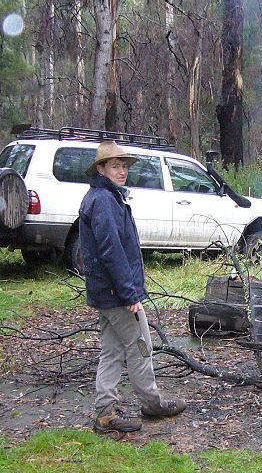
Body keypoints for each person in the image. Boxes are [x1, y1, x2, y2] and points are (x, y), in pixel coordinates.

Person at [79, 141, 185, 433]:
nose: (122, 171)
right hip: (115, 293)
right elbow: (111, 250)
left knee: (112, 351)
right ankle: (152, 404)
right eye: (115, 166)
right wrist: (129, 293)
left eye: (124, 166)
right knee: (141, 346)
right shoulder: (102, 200)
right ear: (101, 169)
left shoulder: (106, 197)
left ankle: (105, 414)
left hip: (107, 292)